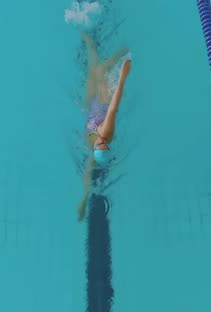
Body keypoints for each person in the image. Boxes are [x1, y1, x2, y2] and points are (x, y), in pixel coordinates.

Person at [77, 32, 131, 221]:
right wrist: (122, 78)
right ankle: (117, 51)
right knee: (99, 71)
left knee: (94, 70)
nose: (101, 140)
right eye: (103, 143)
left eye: (99, 143)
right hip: (103, 104)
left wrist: (84, 199)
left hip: (90, 105)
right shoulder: (107, 130)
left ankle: (92, 45)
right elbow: (114, 106)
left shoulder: (91, 149)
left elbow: (86, 177)